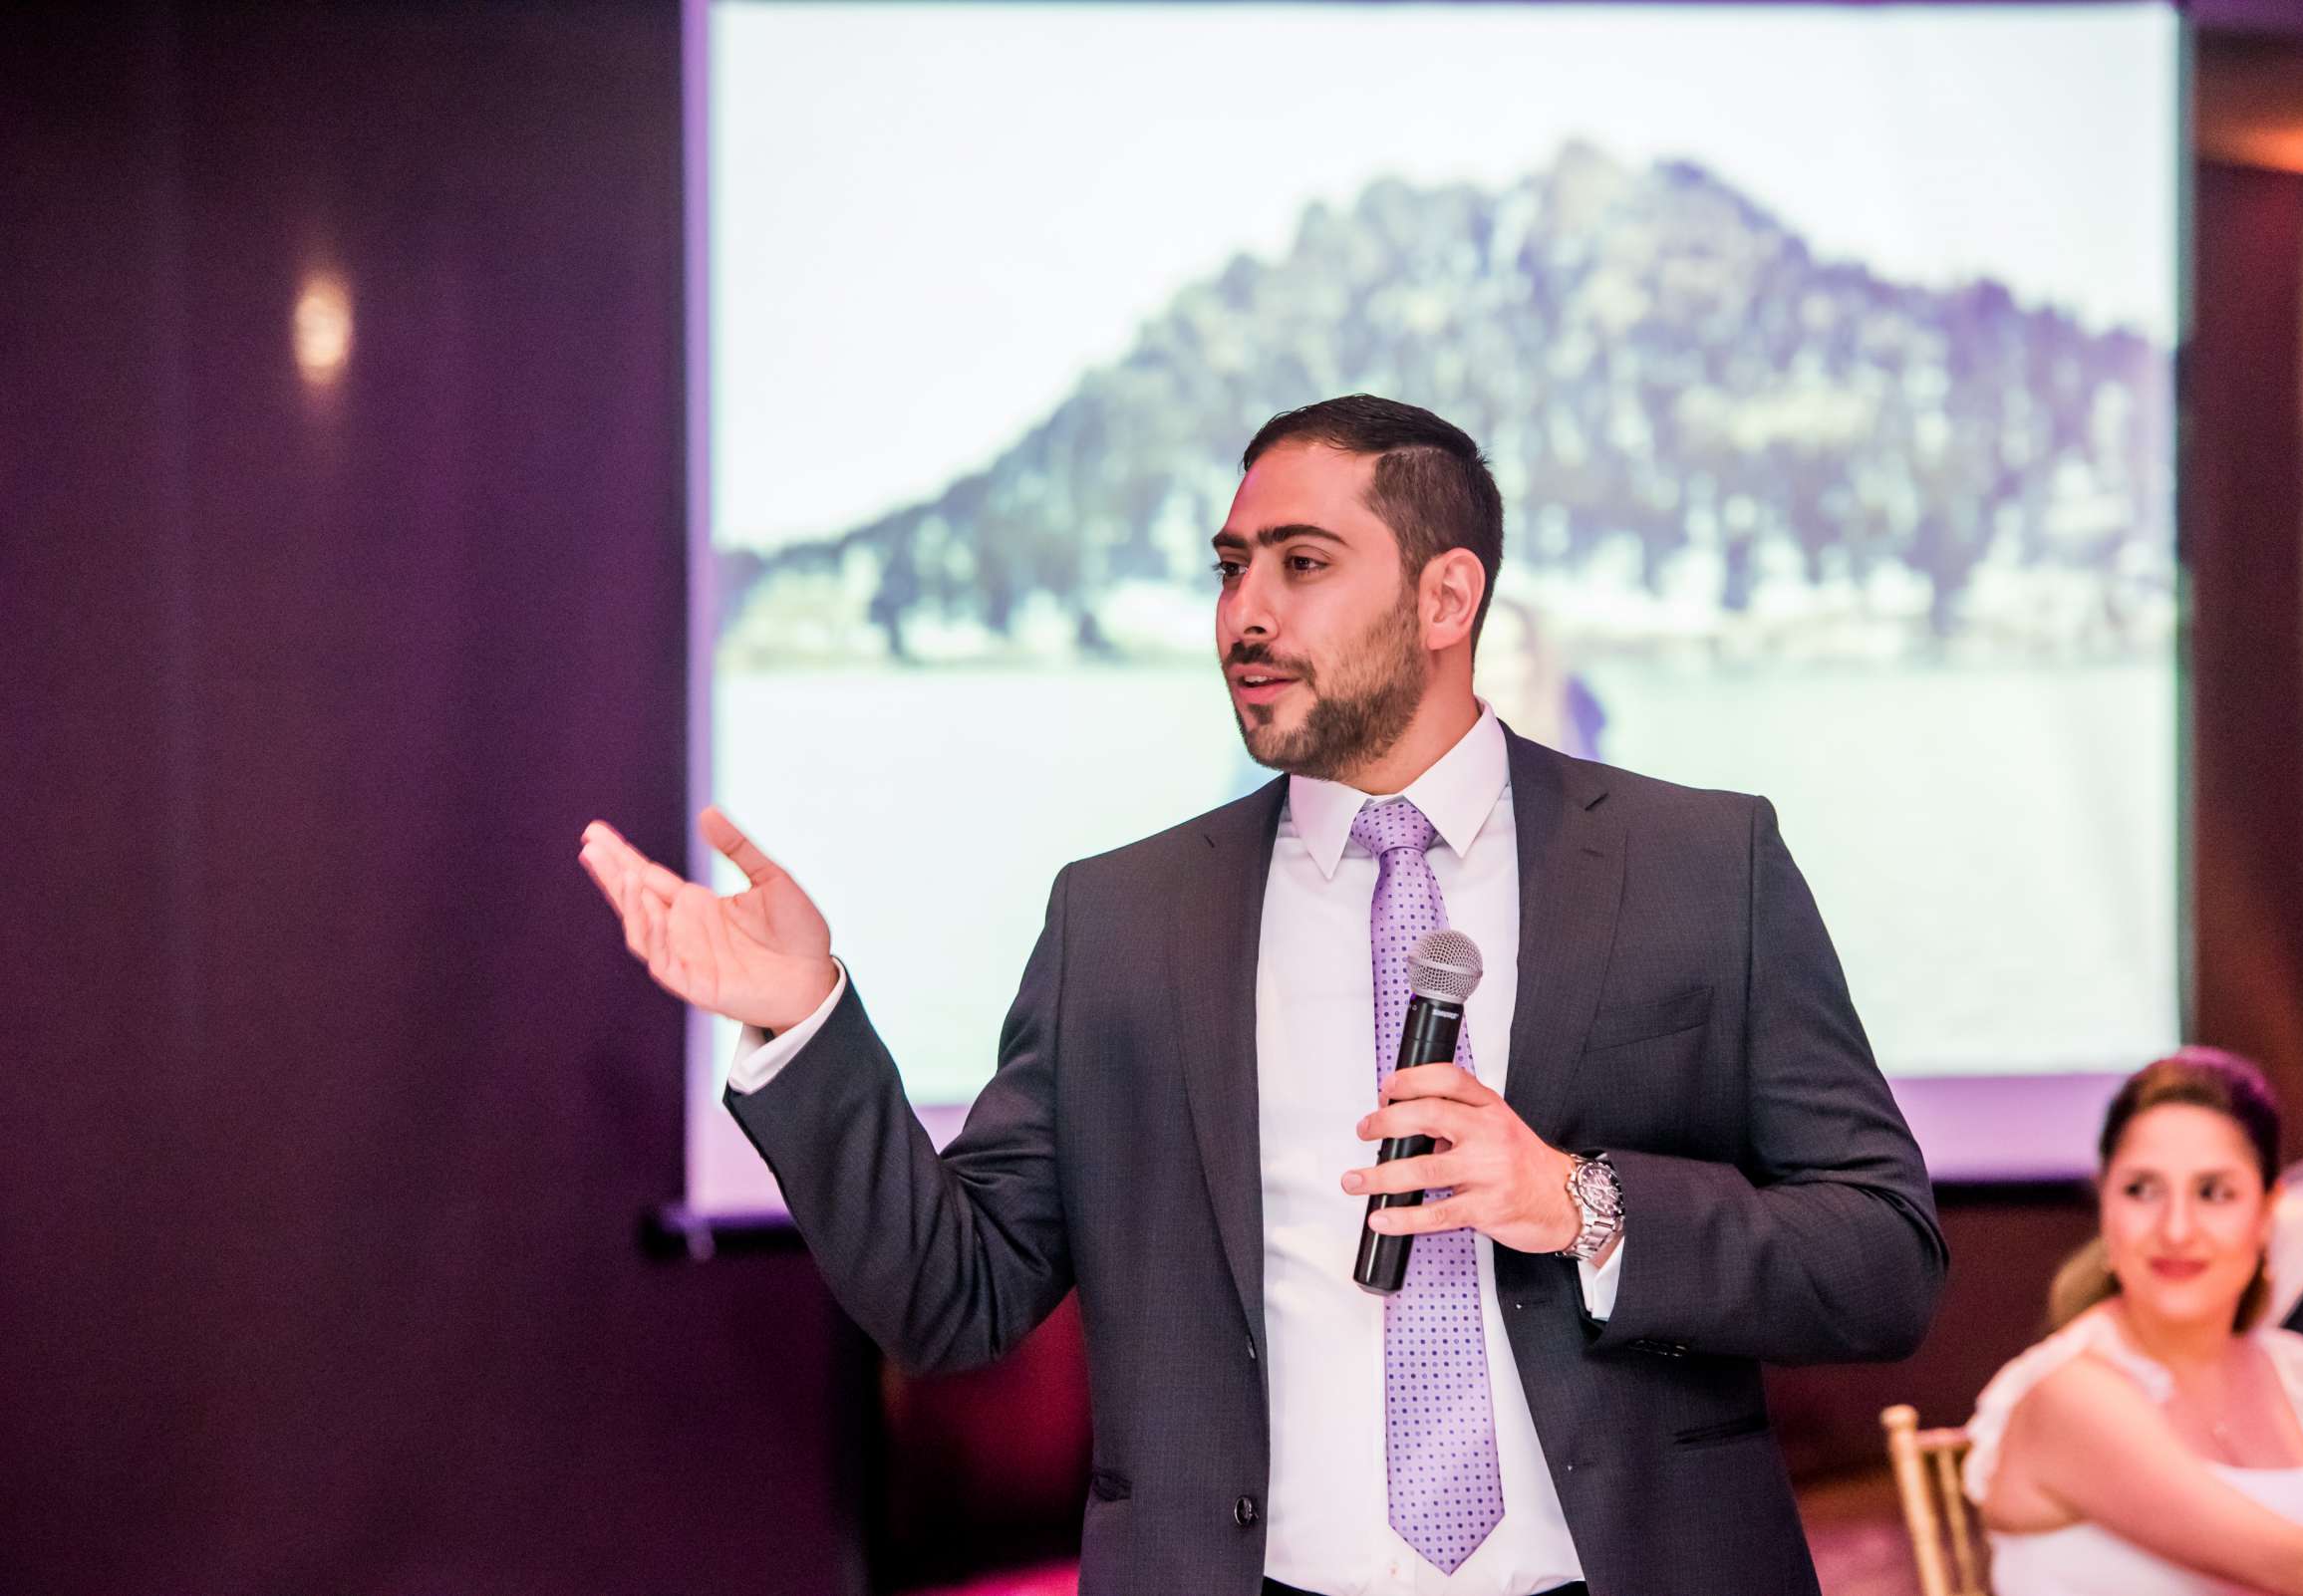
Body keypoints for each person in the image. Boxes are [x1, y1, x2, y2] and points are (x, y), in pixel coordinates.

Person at [580, 396, 1944, 1595]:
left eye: (1302, 563)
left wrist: (1577, 1204)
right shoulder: (1122, 918)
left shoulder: (1702, 864)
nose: (1247, 612)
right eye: (1232, 568)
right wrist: (806, 1021)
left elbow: (1883, 1256)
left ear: (1446, 598)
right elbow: (956, 1294)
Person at [1964, 1049, 2303, 1596]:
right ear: (2105, 1206)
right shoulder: (2070, 1395)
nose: (2177, 1229)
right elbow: (2288, 1563)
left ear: (2266, 1213)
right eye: (2142, 1190)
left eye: (2214, 1192)